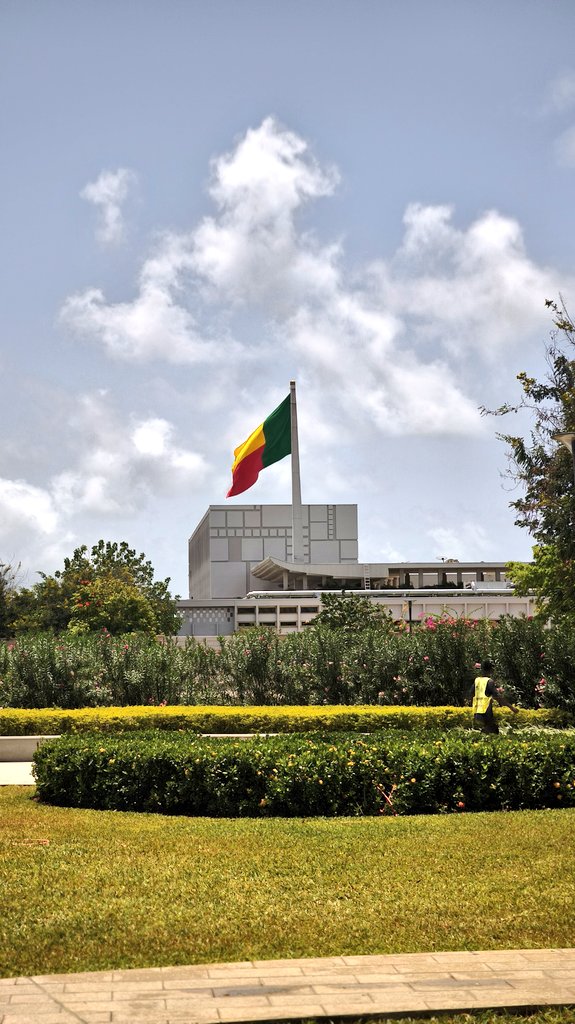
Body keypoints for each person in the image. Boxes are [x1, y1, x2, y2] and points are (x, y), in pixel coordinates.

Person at [471, 659, 518, 734]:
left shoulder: (477, 680)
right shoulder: (489, 681)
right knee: (492, 732)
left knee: (486, 732)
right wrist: (511, 707)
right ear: (491, 670)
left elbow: (471, 694)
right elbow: (498, 697)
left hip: (476, 710)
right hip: (486, 712)